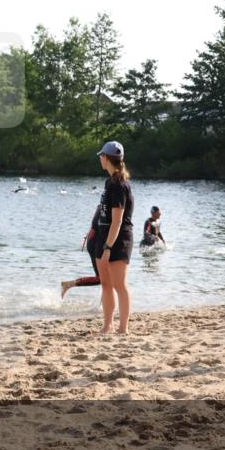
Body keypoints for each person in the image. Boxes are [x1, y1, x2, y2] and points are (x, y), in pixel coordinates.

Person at [92, 141, 134, 334]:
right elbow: (105, 212)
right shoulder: (110, 182)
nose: (100, 158)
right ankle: (107, 326)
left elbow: (117, 221)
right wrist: (93, 228)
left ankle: (123, 328)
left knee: (119, 285)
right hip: (103, 235)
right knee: (106, 284)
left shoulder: (119, 184)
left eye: (102, 155)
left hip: (118, 239)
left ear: (107, 158)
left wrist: (108, 247)